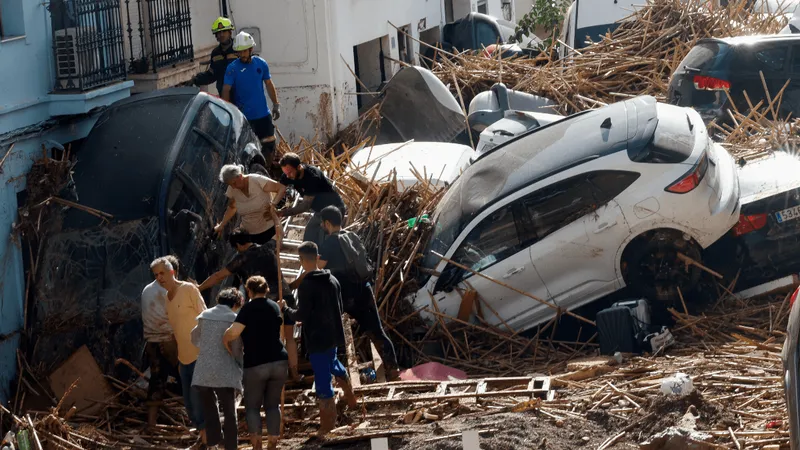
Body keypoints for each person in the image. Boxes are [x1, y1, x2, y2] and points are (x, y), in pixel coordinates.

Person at [197, 228, 300, 382]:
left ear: (238, 244)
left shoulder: (242, 258)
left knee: (268, 339)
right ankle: (295, 374)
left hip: (265, 303)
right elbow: (279, 237)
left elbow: (218, 276)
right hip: (285, 295)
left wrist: (198, 288)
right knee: (290, 338)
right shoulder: (268, 248)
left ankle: (271, 377)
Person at [280, 242, 357, 438]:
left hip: (317, 337)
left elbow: (302, 315)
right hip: (332, 334)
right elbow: (339, 308)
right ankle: (350, 395)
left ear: (301, 260)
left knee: (322, 378)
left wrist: (286, 310)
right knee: (333, 363)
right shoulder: (332, 279)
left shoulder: (307, 285)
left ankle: (327, 425)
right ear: (317, 256)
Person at [317, 205, 400, 381]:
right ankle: (394, 372)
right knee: (377, 332)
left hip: (343, 296)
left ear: (327, 223)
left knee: (334, 336)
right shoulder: (353, 236)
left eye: (322, 224)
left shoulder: (329, 242)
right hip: (364, 289)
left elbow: (318, 267)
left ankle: (336, 377)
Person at [223, 276, 288, 450]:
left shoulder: (247, 309)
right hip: (279, 361)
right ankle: (272, 444)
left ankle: (257, 445)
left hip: (255, 363)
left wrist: (225, 338)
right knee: (272, 405)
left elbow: (233, 333)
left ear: (249, 291)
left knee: (252, 407)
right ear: (266, 289)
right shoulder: (275, 306)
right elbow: (280, 334)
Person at [151, 257, 208, 444]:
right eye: (156, 275)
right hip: (183, 360)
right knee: (191, 407)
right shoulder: (167, 299)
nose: (159, 278)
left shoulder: (189, 289)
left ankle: (209, 442)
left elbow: (205, 317)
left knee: (199, 404)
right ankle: (206, 439)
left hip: (199, 355)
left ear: (172, 272)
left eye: (162, 273)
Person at [190, 288, 243, 450]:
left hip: (203, 371)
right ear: (235, 304)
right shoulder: (234, 319)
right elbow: (236, 348)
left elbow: (194, 337)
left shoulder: (204, 316)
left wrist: (207, 347)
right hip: (225, 371)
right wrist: (240, 365)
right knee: (229, 411)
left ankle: (213, 442)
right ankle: (231, 446)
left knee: (210, 409)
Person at [222, 31, 281, 167]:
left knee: (269, 145)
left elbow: (269, 84)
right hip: (244, 118)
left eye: (244, 51)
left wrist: (276, 104)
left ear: (250, 49)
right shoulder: (232, 69)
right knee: (246, 149)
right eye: (239, 52)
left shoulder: (261, 64)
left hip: (262, 115)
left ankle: (267, 171)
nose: (242, 55)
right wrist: (228, 111)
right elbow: (226, 90)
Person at [141, 255, 181, 429]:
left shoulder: (147, 289)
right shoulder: (170, 290)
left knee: (156, 380)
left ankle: (151, 425)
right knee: (187, 376)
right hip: (170, 341)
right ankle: (197, 422)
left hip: (152, 342)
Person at [275, 153, 347, 247]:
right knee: (309, 237)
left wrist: (283, 212)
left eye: (290, 172)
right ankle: (307, 259)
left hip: (334, 209)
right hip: (320, 211)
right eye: (285, 173)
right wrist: (273, 204)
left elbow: (305, 205)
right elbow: (279, 189)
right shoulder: (288, 175)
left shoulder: (313, 177)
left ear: (299, 167)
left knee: (324, 242)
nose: (288, 176)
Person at [214, 164, 283, 243]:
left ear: (240, 176)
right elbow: (232, 207)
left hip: (270, 231)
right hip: (249, 235)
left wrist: (273, 205)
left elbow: (281, 188)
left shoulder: (257, 180)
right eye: (230, 185)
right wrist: (221, 225)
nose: (233, 187)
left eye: (234, 183)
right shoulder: (232, 189)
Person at [192, 17, 237, 96]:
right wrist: (196, 79)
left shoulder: (239, 48)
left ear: (230, 32)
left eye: (224, 31)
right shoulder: (215, 53)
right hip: (224, 96)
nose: (221, 34)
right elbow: (212, 75)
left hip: (241, 95)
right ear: (215, 35)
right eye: (218, 33)